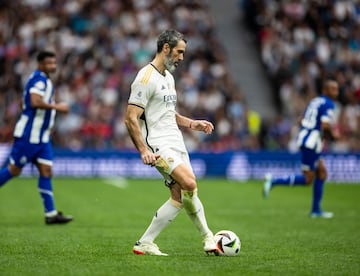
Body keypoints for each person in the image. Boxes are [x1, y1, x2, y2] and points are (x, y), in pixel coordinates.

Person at [125, 29, 218, 256]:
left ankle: (145, 243)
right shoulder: (145, 78)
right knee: (190, 183)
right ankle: (208, 237)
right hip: (158, 146)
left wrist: (192, 123)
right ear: (166, 48)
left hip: (176, 142)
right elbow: (130, 117)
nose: (181, 57)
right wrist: (144, 150)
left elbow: (168, 113)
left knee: (178, 196)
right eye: (179, 52)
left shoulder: (168, 77)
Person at [0, 51, 73, 225]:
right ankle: (51, 214)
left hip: (42, 137)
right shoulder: (39, 80)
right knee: (14, 170)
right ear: (40, 64)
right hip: (29, 136)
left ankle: (51, 214)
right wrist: (58, 107)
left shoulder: (42, 80)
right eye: (49, 63)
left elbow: (24, 102)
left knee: (46, 171)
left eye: (54, 63)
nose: (52, 66)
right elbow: (34, 101)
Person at [263, 80, 340, 218]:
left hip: (308, 140)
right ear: (325, 90)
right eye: (333, 89)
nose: (336, 92)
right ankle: (274, 181)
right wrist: (334, 137)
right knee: (308, 179)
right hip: (312, 142)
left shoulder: (315, 101)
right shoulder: (328, 104)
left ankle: (316, 210)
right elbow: (325, 125)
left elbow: (300, 120)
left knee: (322, 172)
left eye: (337, 89)